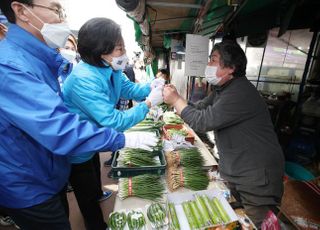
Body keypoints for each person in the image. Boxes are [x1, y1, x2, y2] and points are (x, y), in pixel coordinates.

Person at [0, 1, 158, 229]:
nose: (62, 20)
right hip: (28, 182)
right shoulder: (10, 66)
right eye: (56, 10)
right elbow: (59, 129)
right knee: (82, 201)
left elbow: (129, 89)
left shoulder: (36, 59)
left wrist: (152, 88)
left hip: (52, 168)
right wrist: (124, 137)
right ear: (22, 10)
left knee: (76, 203)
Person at [163, 40, 285, 227]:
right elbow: (199, 109)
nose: (208, 65)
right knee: (236, 218)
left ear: (230, 68)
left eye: (213, 60)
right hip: (237, 170)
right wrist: (178, 101)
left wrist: (177, 100)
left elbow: (202, 122)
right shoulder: (223, 90)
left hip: (257, 178)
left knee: (254, 223)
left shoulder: (240, 92)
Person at [62, 17, 164, 230]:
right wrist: (147, 105)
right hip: (77, 145)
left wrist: (150, 87)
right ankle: (96, 225)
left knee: (93, 174)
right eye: (119, 48)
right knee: (86, 192)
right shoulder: (83, 79)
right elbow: (113, 121)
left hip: (93, 139)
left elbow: (130, 90)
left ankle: (98, 194)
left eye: (123, 46)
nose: (124, 53)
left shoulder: (111, 68)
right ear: (101, 51)